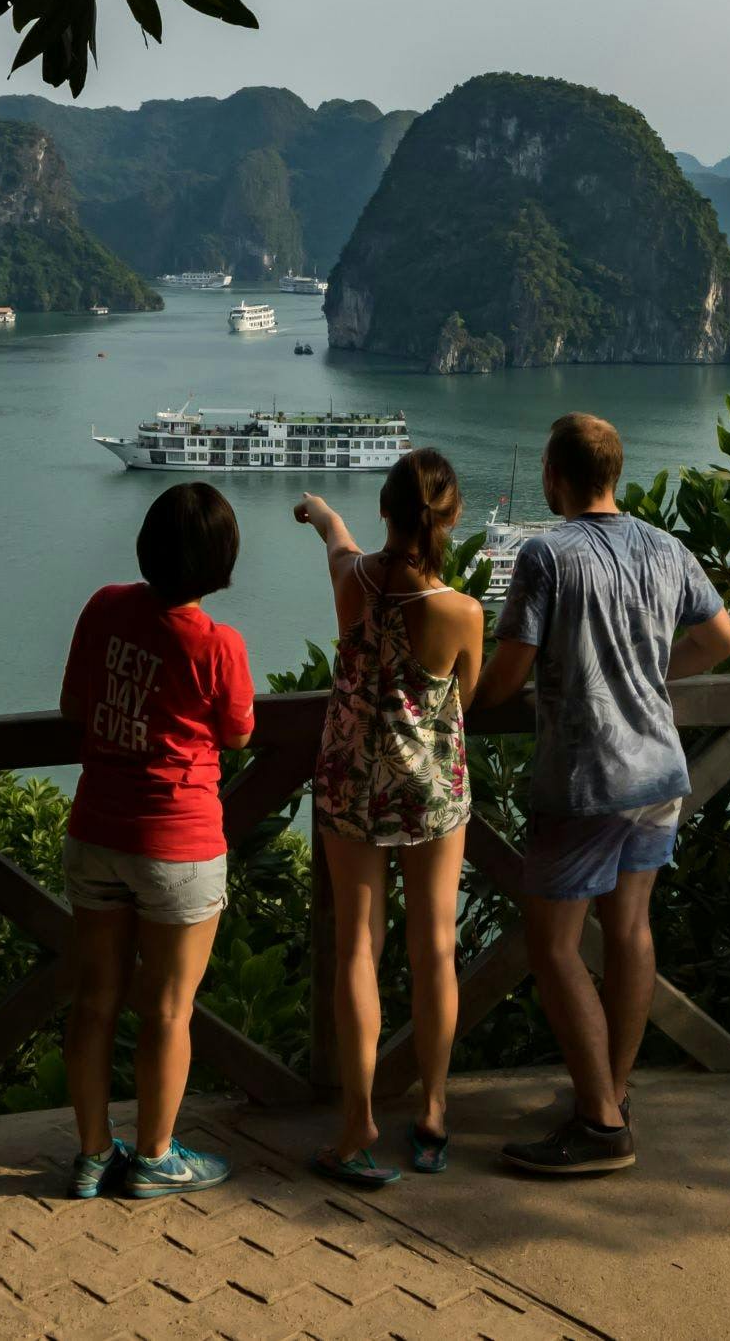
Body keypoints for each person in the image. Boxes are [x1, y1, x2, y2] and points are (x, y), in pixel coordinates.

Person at [471, 413, 730, 1174]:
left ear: (555, 475)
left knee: (552, 945)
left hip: (588, 775)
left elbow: (509, 669)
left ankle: (598, 1122)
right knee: (629, 930)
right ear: (614, 475)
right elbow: (722, 640)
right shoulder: (666, 547)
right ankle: (612, 1095)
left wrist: (468, 702)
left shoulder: (546, 555)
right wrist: (654, 677)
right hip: (660, 770)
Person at [57, 482, 255, 1200]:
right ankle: (154, 1155)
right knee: (168, 1007)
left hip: (98, 829)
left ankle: (88, 1155)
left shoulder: (105, 607)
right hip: (178, 841)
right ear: (220, 560)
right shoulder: (218, 644)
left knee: (93, 999)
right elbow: (237, 733)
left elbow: (73, 706)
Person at [293, 453, 485, 1187]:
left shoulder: (353, 584)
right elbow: (463, 692)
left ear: (385, 509)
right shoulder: (459, 611)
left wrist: (320, 513)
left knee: (356, 949)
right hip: (428, 789)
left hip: (348, 780)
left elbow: (340, 544)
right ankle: (433, 1111)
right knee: (434, 947)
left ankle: (356, 1121)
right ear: (451, 517)